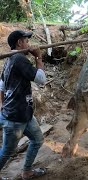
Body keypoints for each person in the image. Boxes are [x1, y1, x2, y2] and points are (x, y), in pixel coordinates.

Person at [0, 30, 47, 179]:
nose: (29, 44)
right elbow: (41, 79)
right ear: (20, 43)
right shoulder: (19, 59)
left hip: (24, 114)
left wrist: (2, 105)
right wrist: (38, 57)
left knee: (37, 140)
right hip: (14, 118)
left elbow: (1, 86)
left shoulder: (9, 60)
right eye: (26, 41)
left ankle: (26, 171)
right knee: (7, 151)